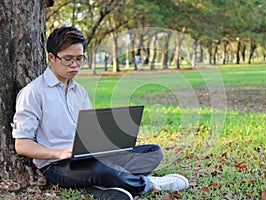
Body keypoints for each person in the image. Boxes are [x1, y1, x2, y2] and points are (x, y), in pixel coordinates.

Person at [11, 26, 189, 199]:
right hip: (57, 165)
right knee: (101, 170)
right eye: (68, 59)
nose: (75, 65)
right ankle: (149, 184)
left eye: (80, 59)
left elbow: (88, 130)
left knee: (152, 152)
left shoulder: (79, 91)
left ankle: (102, 184)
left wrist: (109, 142)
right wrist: (60, 153)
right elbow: (22, 145)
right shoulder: (33, 92)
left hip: (89, 156)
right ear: (52, 57)